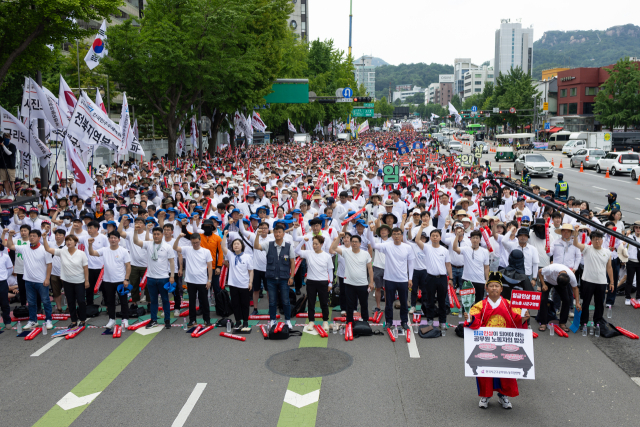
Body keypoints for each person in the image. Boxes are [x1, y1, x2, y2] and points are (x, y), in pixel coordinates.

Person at [463, 272, 529, 409]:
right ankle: (485, 396)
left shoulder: (509, 304)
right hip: (487, 344)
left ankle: (503, 396)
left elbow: (517, 320)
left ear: (501, 289)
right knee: (485, 372)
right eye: (491, 286)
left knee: (505, 372)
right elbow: (475, 321)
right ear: (486, 289)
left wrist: (523, 318)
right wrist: (470, 318)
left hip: (505, 344)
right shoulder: (480, 305)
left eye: (496, 286)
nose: (494, 288)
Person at [369, 224, 415, 330]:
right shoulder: (387, 245)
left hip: (403, 279)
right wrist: (371, 231)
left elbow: (411, 263)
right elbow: (373, 245)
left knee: (404, 303)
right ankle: (388, 321)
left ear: (402, 235)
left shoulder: (407, 247)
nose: (396, 236)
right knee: (388, 303)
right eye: (394, 234)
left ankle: (404, 321)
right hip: (389, 279)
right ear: (392, 236)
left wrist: (410, 278)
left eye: (398, 234)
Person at [6, 228, 53, 330]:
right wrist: (10, 236)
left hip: (41, 280)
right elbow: (9, 246)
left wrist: (47, 278)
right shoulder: (24, 247)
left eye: (34, 236)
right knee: (31, 302)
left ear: (39, 238)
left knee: (45, 301)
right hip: (28, 280)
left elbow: (49, 265)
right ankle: (33, 320)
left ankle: (48, 319)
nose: (31, 237)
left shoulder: (45, 249)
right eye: (30, 236)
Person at [133, 223, 176, 329]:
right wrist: (135, 231)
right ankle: (153, 320)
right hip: (151, 277)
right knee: (153, 300)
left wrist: (172, 276)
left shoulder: (167, 247)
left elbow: (171, 262)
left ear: (162, 235)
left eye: (158, 234)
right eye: (154, 234)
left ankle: (167, 319)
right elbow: (136, 241)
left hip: (163, 278)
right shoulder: (148, 244)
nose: (156, 236)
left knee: (165, 299)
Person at [43, 233, 89, 327]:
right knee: (70, 301)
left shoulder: (81, 253)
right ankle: (73, 321)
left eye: (71, 240)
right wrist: (44, 238)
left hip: (79, 281)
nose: (69, 242)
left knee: (81, 301)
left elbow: (85, 267)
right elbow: (48, 249)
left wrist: (87, 280)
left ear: (75, 242)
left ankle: (83, 320)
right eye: (67, 240)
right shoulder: (62, 252)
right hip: (67, 281)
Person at [254, 224, 295, 328]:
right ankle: (272, 320)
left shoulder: (289, 246)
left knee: (286, 301)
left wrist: (292, 277)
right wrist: (257, 236)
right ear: (273, 233)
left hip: (284, 278)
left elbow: (292, 262)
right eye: (276, 232)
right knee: (272, 301)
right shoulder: (268, 244)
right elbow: (256, 246)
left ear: (283, 233)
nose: (278, 234)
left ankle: (288, 320)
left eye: (280, 232)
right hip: (271, 278)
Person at [88, 231, 132, 329]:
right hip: (107, 281)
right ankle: (112, 319)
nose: (113, 240)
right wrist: (90, 244)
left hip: (120, 280)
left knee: (123, 301)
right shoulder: (105, 250)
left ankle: (125, 319)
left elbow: (128, 266)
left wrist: (126, 279)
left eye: (115, 238)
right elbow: (92, 253)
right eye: (111, 238)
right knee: (110, 301)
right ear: (108, 239)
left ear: (119, 240)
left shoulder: (123, 251)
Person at [329, 232, 373, 329]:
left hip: (362, 283)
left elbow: (370, 268)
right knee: (349, 304)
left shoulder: (365, 254)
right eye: (352, 241)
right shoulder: (346, 252)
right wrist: (339, 237)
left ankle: (365, 320)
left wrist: (371, 282)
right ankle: (349, 321)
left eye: (356, 242)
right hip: (349, 283)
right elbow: (334, 248)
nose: (354, 243)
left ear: (360, 243)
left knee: (363, 303)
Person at [573, 227, 613, 330]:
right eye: (594, 239)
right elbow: (576, 244)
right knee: (586, 302)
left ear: (602, 240)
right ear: (591, 240)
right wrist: (576, 234)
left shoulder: (607, 252)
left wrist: (612, 282)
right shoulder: (587, 248)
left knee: (599, 304)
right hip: (587, 281)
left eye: (599, 239)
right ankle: (583, 322)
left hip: (601, 281)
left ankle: (598, 322)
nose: (597, 241)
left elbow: (609, 267)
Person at [414, 226, 453, 327]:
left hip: (442, 278)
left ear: (440, 238)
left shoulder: (444, 250)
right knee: (430, 300)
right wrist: (421, 228)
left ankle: (442, 321)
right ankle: (430, 319)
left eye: (437, 236)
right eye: (433, 236)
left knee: (442, 301)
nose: (435, 237)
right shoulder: (427, 247)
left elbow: (448, 265)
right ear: (430, 238)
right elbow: (417, 240)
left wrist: (451, 278)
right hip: (430, 278)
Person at [173, 233, 213, 327]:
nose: (195, 244)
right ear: (190, 241)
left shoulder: (206, 251)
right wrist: (178, 237)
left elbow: (210, 267)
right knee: (192, 301)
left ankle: (207, 320)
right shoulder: (187, 249)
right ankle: (192, 320)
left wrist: (209, 280)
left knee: (204, 301)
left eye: (196, 242)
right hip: (190, 281)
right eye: (193, 242)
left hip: (202, 280)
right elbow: (175, 247)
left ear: (200, 241)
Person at [295, 234, 334, 331]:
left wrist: (330, 283)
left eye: (316, 244)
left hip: (323, 282)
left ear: (321, 244)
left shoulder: (327, 256)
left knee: (324, 303)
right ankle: (311, 321)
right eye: (313, 244)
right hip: (311, 282)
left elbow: (330, 270)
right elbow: (296, 251)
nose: (314, 245)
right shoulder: (309, 253)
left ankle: (325, 321)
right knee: (311, 303)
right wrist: (303, 241)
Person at [221, 230, 253, 329]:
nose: (236, 246)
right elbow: (223, 247)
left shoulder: (247, 257)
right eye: (234, 244)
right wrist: (225, 236)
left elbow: (251, 271)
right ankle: (238, 321)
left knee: (245, 304)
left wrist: (250, 282)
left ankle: (246, 321)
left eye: (238, 244)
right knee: (235, 304)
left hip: (244, 284)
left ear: (242, 246)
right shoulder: (230, 255)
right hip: (233, 284)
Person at [537, 264, 580, 332]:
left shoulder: (571, 276)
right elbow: (539, 271)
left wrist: (577, 303)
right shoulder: (551, 269)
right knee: (543, 299)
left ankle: (562, 323)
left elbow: (575, 288)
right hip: (547, 281)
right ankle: (543, 323)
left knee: (566, 300)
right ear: (558, 274)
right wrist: (543, 284)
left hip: (561, 283)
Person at [453, 229, 490, 304]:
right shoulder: (466, 249)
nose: (475, 240)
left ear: (480, 240)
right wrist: (457, 235)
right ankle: (467, 315)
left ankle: (475, 316)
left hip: (480, 281)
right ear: (470, 239)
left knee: (478, 304)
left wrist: (487, 280)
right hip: (467, 280)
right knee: (466, 304)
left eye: (477, 238)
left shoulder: (485, 251)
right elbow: (455, 248)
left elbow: (486, 267)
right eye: (473, 238)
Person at [624, 221, 640, 305]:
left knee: (639, 280)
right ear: (634, 228)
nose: (638, 229)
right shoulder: (630, 236)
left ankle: (638, 297)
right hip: (631, 261)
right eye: (636, 227)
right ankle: (627, 297)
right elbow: (623, 246)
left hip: (639, 262)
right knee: (629, 280)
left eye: (639, 228)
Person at [0, 233, 14, 330]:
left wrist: (4, 277)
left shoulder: (5, 256)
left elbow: (9, 270)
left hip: (2, 282)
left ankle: (7, 321)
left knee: (4, 302)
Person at [0, 133, 17, 199]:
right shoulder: (0, 147)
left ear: (10, 138)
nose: (6, 139)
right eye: (5, 138)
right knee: (5, 180)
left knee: (11, 181)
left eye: (7, 138)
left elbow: (9, 153)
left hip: (10, 166)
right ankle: (7, 193)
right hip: (2, 166)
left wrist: (3, 146)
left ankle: (12, 194)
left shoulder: (12, 146)